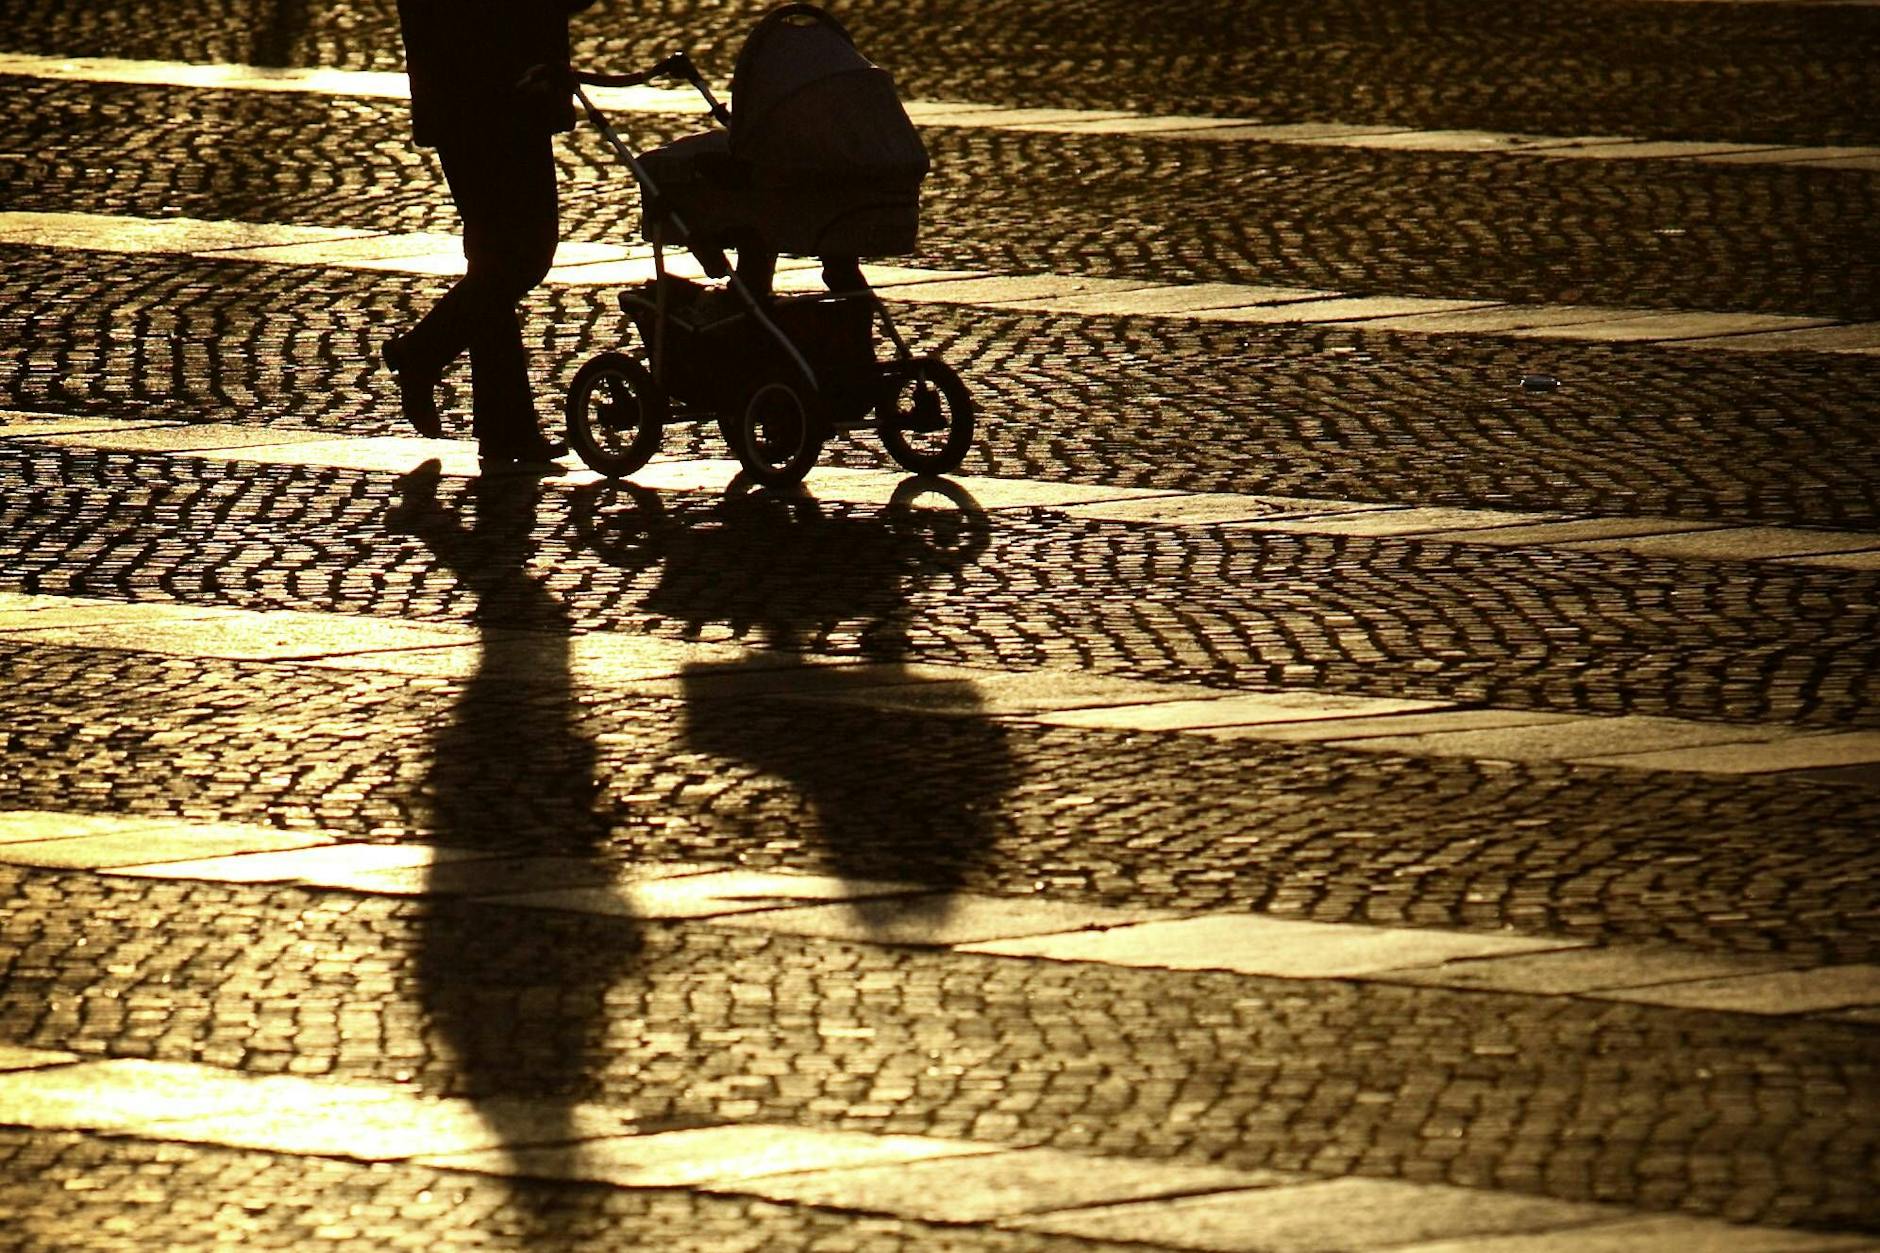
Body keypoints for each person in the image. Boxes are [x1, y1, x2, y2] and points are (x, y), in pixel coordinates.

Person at [382, 0, 597, 464]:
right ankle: (423, 355)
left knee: (497, 257)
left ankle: (505, 427)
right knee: (521, 255)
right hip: (492, 91)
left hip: (488, 89)